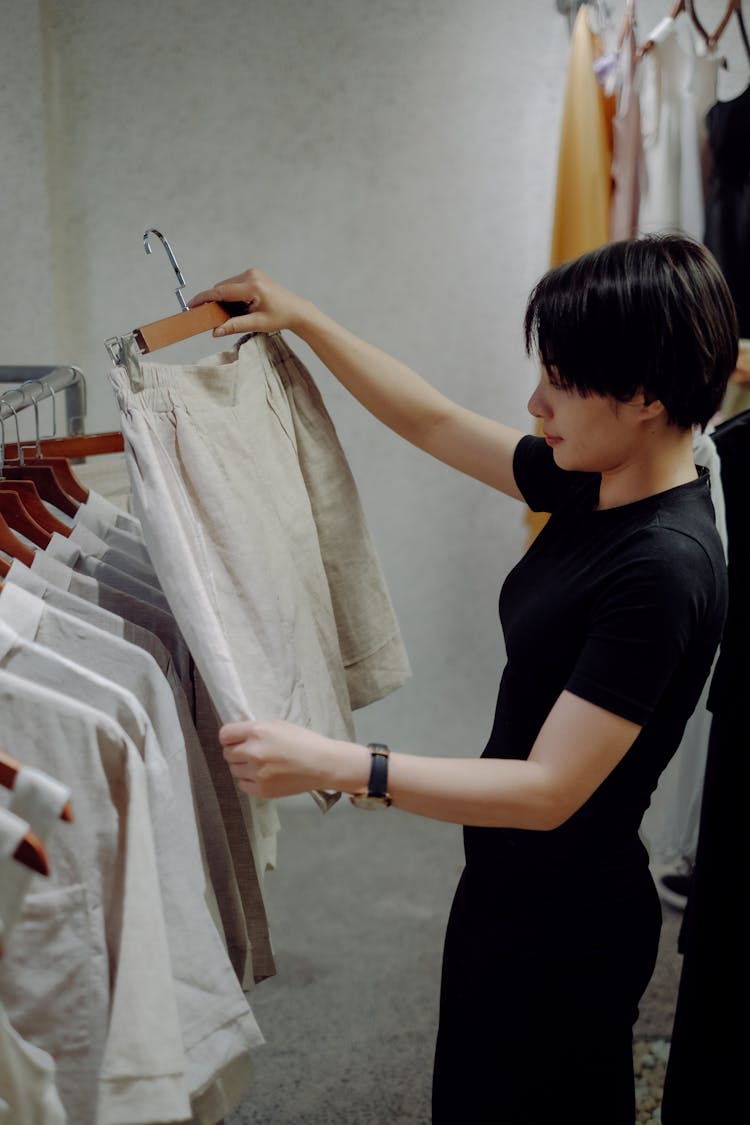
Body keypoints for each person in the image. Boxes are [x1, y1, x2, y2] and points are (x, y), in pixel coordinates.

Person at [188, 234, 736, 1125]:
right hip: (512, 885)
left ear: (645, 396)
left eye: (560, 377)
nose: (535, 401)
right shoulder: (594, 482)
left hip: (569, 921)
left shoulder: (663, 566)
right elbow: (433, 421)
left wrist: (343, 764)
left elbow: (549, 788)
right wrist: (307, 318)